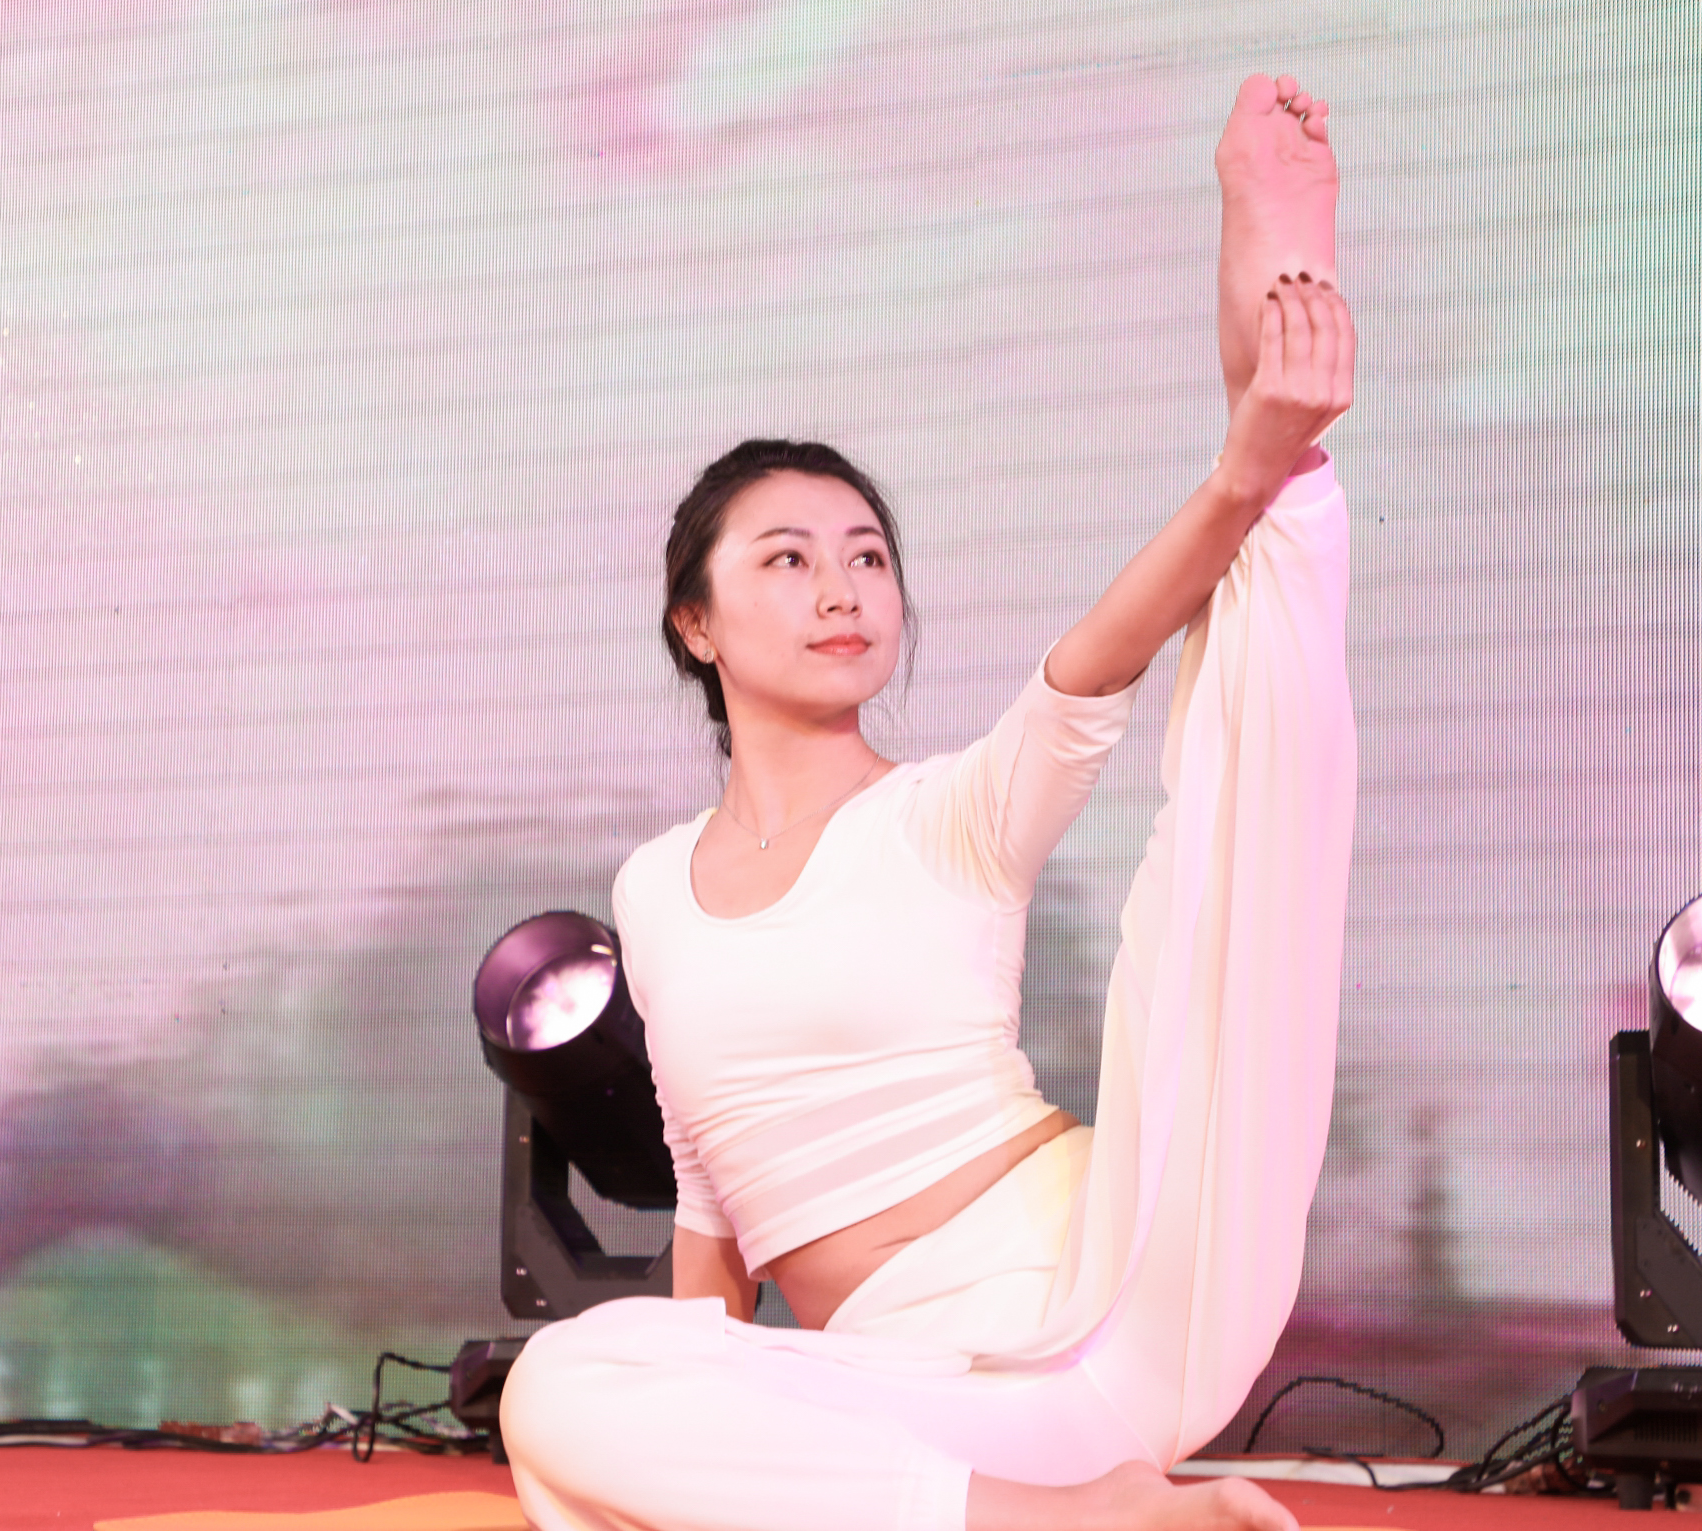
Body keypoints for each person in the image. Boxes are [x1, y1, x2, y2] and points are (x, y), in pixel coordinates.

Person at [500, 75, 1356, 1531]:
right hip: (908, 1390)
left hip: (1095, 1309)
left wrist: (1241, 469)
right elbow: (712, 1203)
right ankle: (1072, 1518)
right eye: (786, 560)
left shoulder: (950, 817)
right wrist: (700, 1403)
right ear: (694, 623)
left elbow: (1095, 664)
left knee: (1238, 820)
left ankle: (1276, 419)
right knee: (568, 1380)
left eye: (867, 557)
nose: (841, 588)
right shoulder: (650, 888)